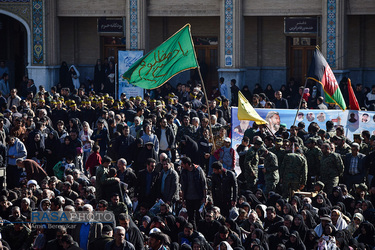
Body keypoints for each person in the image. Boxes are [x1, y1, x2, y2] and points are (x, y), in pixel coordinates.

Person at [180, 156, 207, 227]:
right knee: (191, 217)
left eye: (182, 164)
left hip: (198, 197)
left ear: (187, 164)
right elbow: (183, 187)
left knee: (199, 217)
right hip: (188, 198)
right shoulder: (183, 172)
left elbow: (204, 185)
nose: (181, 166)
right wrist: (183, 199)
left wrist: (204, 197)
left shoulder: (198, 170)